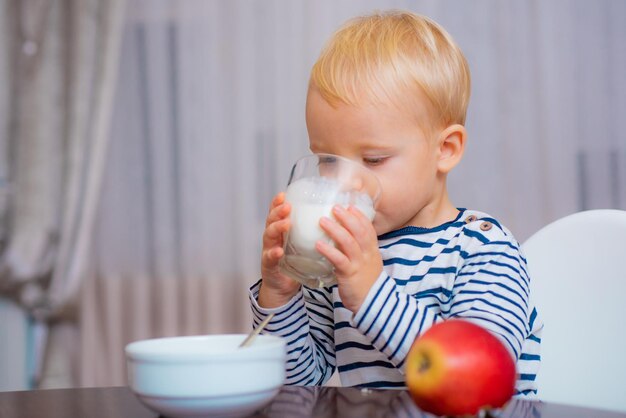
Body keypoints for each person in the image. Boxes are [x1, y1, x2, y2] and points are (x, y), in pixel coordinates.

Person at [249, 10, 542, 397]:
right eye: (326, 160)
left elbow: (475, 378)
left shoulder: (482, 249)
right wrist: (279, 295)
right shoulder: (339, 255)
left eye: (372, 160)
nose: (344, 183)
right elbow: (298, 386)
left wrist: (371, 293)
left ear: (445, 150)